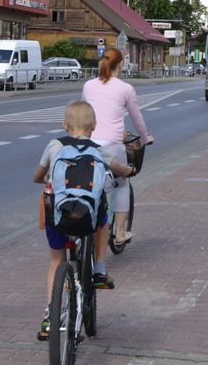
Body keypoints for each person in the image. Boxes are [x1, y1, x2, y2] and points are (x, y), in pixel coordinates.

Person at [31, 100, 132, 340]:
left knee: (56, 259)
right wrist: (130, 171)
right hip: (87, 217)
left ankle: (49, 316)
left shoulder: (54, 145)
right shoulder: (98, 150)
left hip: (58, 215)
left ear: (64, 125)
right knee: (103, 215)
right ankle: (99, 268)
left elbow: (37, 175)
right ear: (94, 126)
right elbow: (118, 169)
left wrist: (43, 178)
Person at [81, 47, 153, 283]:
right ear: (120, 65)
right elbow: (137, 118)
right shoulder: (125, 89)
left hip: (88, 146)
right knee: (122, 183)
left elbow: (84, 113)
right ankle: (120, 233)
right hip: (112, 147)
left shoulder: (89, 85)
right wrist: (145, 138)